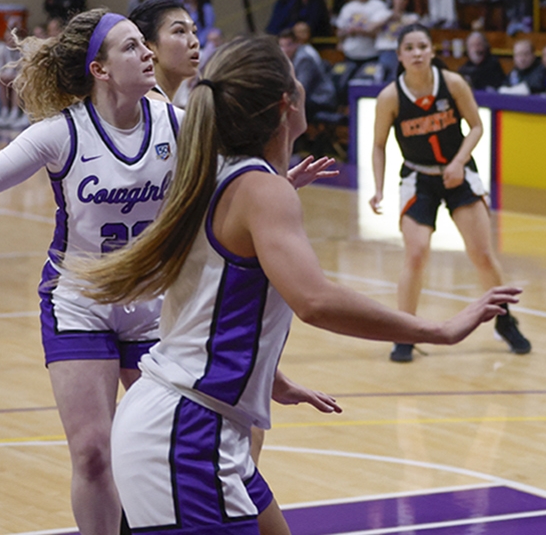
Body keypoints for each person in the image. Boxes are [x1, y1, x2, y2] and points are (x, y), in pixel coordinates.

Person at [74, 35, 519, 532]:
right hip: (187, 435)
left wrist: (267, 377)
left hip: (193, 422)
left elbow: (207, 301)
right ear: (288, 102)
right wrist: (438, 329)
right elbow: (315, 301)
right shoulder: (262, 190)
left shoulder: (221, 175)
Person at [0, 11, 172, 535]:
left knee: (154, 451)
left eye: (146, 44)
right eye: (132, 46)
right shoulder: (60, 132)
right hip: (79, 301)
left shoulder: (175, 121)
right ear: (100, 69)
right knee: (94, 453)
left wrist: (273, 181)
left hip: (154, 305)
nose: (147, 54)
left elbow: (228, 178)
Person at [367, 23, 531, 362]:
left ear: (432, 51)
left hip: (459, 175)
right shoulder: (390, 97)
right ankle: (405, 331)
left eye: (422, 46)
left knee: (482, 254)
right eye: (409, 47)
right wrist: (379, 188)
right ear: (399, 55)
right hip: (418, 177)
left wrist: (458, 162)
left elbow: (476, 126)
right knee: (416, 253)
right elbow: (379, 146)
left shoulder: (453, 83)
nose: (416, 53)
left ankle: (504, 320)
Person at [129, 0, 200, 108]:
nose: (195, 42)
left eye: (194, 31)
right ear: (148, 47)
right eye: (180, 31)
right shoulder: (155, 107)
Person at [334, 0, 391, 85]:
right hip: (350, 56)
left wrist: (359, 31)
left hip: (371, 56)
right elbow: (339, 32)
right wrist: (344, 34)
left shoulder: (378, 5)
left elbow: (380, 32)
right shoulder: (347, 8)